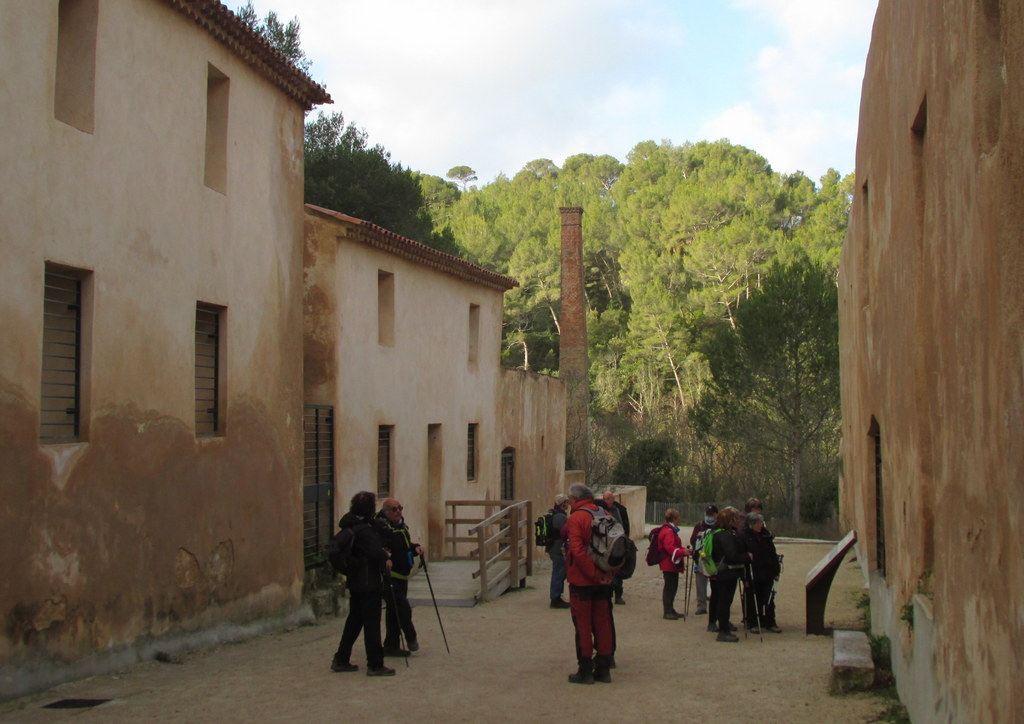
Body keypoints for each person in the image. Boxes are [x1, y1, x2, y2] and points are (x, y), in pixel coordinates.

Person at [331, 491, 396, 676]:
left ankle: (341, 658)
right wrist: (385, 556)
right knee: (372, 624)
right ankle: (375, 664)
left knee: (354, 621)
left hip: (355, 582)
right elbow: (375, 552)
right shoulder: (365, 530)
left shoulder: (350, 524)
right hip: (369, 582)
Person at [565, 482, 615, 684]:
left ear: (574, 500)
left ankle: (585, 670)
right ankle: (603, 670)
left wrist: (593, 574)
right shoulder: (605, 514)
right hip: (604, 579)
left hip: (582, 580)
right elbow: (618, 546)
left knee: (583, 625)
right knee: (603, 624)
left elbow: (577, 551)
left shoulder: (577, 518)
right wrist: (608, 573)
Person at [377, 498, 424, 655]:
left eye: (400, 508)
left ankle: (391, 645)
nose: (398, 512)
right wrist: (385, 558)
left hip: (402, 577)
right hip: (389, 577)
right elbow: (378, 548)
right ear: (385, 512)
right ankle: (411, 637)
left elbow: (404, 546)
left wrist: (415, 548)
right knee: (403, 609)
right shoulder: (382, 528)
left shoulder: (401, 526)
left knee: (393, 612)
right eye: (394, 509)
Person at [709, 506, 751, 643]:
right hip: (727, 572)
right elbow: (731, 555)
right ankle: (723, 631)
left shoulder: (722, 533)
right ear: (730, 520)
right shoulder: (725, 535)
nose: (739, 521)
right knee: (724, 602)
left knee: (724, 601)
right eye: (736, 518)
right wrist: (746, 557)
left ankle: (724, 626)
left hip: (725, 572)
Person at [742, 512, 782, 633]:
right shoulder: (745, 537)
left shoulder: (766, 535)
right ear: (751, 524)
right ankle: (753, 622)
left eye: (761, 522)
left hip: (767, 571)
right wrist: (745, 578)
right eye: (757, 523)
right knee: (753, 598)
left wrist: (776, 571)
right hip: (753, 572)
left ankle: (771, 622)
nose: (760, 525)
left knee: (769, 598)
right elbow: (742, 556)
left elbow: (772, 554)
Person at [656, 509, 690, 619]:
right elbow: (670, 548)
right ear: (674, 519)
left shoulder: (669, 530)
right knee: (670, 587)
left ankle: (670, 609)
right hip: (668, 563)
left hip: (670, 563)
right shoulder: (668, 531)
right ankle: (667, 611)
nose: (679, 519)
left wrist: (682, 550)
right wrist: (682, 552)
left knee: (672, 586)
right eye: (678, 518)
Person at [601, 491, 630, 605]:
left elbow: (626, 525)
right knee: (606, 568)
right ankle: (607, 593)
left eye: (608, 498)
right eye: (604, 498)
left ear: (613, 499)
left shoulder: (620, 510)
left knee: (618, 568)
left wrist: (626, 540)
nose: (606, 501)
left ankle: (618, 594)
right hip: (606, 544)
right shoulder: (601, 510)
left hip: (619, 542)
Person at [690, 505, 718, 616]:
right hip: (700, 558)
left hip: (714, 559)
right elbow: (692, 540)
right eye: (707, 514)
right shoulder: (699, 526)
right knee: (700, 583)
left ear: (716, 515)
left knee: (715, 583)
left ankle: (716, 605)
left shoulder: (718, 526)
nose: (709, 517)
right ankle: (701, 606)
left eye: (711, 514)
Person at [547, 493, 571, 608]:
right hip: (557, 548)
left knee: (559, 571)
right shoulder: (560, 517)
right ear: (562, 504)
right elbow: (565, 532)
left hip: (553, 547)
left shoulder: (555, 514)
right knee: (559, 572)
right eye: (566, 502)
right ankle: (555, 598)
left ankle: (557, 596)